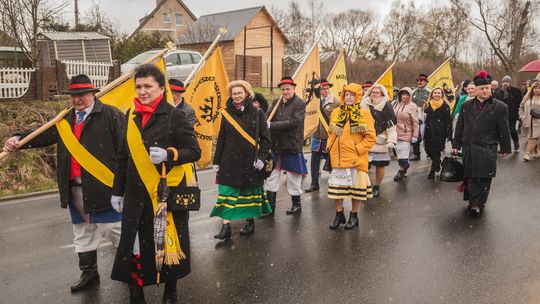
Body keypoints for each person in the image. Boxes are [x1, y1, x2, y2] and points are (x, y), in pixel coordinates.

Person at [2, 74, 125, 293]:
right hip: (75, 188)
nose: (77, 100)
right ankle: (89, 274)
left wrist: (124, 184)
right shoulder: (64, 119)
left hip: (104, 187)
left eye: (81, 95)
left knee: (113, 229)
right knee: (83, 232)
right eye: (73, 95)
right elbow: (42, 135)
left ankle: (130, 270)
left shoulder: (111, 116)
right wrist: (19, 139)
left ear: (92, 94)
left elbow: (126, 151)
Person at [110, 64, 201, 304]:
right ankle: (136, 293)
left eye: (147, 86)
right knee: (134, 246)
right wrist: (117, 192)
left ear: (161, 88)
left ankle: (170, 292)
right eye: (138, 86)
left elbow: (194, 151)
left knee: (168, 247)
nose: (142, 91)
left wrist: (170, 155)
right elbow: (122, 156)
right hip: (134, 194)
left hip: (164, 193)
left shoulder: (175, 115)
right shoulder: (130, 115)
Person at [210, 80, 272, 239]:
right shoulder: (226, 113)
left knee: (247, 193)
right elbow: (222, 139)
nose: (237, 96)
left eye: (240, 93)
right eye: (234, 93)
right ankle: (226, 227)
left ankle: (250, 222)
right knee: (226, 193)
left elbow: (266, 140)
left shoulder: (258, 113)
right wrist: (216, 161)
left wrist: (262, 158)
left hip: (249, 161)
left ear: (247, 94)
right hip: (228, 161)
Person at [452, 70, 511, 216]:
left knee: (485, 177)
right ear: (475, 90)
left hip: (487, 148)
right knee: (471, 177)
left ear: (490, 88)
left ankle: (481, 202)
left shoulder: (500, 107)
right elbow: (460, 126)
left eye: (487, 88)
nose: (485, 91)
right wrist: (455, 145)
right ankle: (473, 204)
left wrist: (505, 147)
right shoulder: (466, 106)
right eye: (482, 88)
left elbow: (504, 128)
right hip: (470, 147)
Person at [327, 83, 376, 230]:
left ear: (357, 97)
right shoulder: (336, 112)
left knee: (356, 190)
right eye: (346, 95)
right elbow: (331, 133)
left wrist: (358, 149)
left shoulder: (364, 113)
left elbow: (371, 137)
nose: (348, 97)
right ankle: (339, 214)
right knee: (337, 189)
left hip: (356, 158)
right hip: (338, 157)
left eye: (352, 95)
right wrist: (330, 147)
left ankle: (354, 216)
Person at [265, 76, 307, 215]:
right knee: (271, 175)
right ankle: (270, 206)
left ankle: (296, 205)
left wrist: (271, 125)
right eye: (282, 89)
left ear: (293, 89)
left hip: (291, 144)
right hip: (276, 145)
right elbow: (268, 116)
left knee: (293, 177)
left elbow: (294, 122)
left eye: (288, 89)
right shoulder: (276, 102)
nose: (285, 92)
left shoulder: (300, 103)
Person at [361, 84, 397, 197]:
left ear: (382, 94)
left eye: (377, 92)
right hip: (365, 139)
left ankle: (376, 186)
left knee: (380, 165)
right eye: (373, 92)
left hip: (380, 140)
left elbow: (391, 126)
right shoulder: (363, 104)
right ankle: (364, 186)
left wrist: (391, 140)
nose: (374, 94)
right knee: (362, 166)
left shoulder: (387, 106)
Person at [305, 78, 340, 193]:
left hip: (329, 137)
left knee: (332, 161)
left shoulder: (336, 102)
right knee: (314, 161)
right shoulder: (314, 102)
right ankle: (314, 184)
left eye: (327, 88)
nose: (325, 91)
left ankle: (334, 182)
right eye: (322, 89)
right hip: (316, 136)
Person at [423, 87, 453, 179]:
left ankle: (433, 170)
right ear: (432, 94)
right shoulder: (427, 105)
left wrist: (449, 133)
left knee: (436, 151)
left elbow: (448, 121)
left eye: (438, 93)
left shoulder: (445, 106)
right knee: (428, 149)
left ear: (442, 95)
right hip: (428, 131)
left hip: (440, 133)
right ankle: (437, 162)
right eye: (435, 93)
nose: (436, 94)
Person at [392, 87, 419, 181]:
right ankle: (405, 165)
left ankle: (401, 170)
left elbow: (415, 122)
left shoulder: (412, 106)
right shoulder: (395, 103)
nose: (405, 96)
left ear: (410, 96)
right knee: (397, 153)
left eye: (407, 95)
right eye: (403, 94)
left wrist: (415, 135)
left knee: (403, 153)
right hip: (394, 133)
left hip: (405, 133)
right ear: (400, 95)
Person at [494, 75, 523, 151]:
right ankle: (503, 147)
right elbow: (495, 103)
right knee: (501, 131)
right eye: (503, 82)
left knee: (512, 130)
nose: (505, 83)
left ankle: (516, 141)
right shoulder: (499, 92)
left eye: (507, 81)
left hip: (513, 114)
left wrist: (520, 115)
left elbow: (520, 103)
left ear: (510, 82)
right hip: (501, 115)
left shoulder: (516, 91)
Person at [411, 73, 431, 161]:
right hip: (415, 114)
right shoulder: (413, 92)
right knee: (416, 134)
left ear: (426, 82)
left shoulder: (429, 92)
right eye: (418, 80)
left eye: (421, 80)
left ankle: (429, 152)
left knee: (427, 134)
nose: (419, 82)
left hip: (425, 114)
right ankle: (416, 154)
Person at [518, 80, 540, 161]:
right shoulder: (526, 97)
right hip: (527, 121)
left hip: (538, 123)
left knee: (533, 138)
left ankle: (527, 153)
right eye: (535, 88)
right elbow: (521, 107)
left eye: (539, 88)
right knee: (531, 137)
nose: (537, 90)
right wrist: (522, 116)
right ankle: (537, 150)